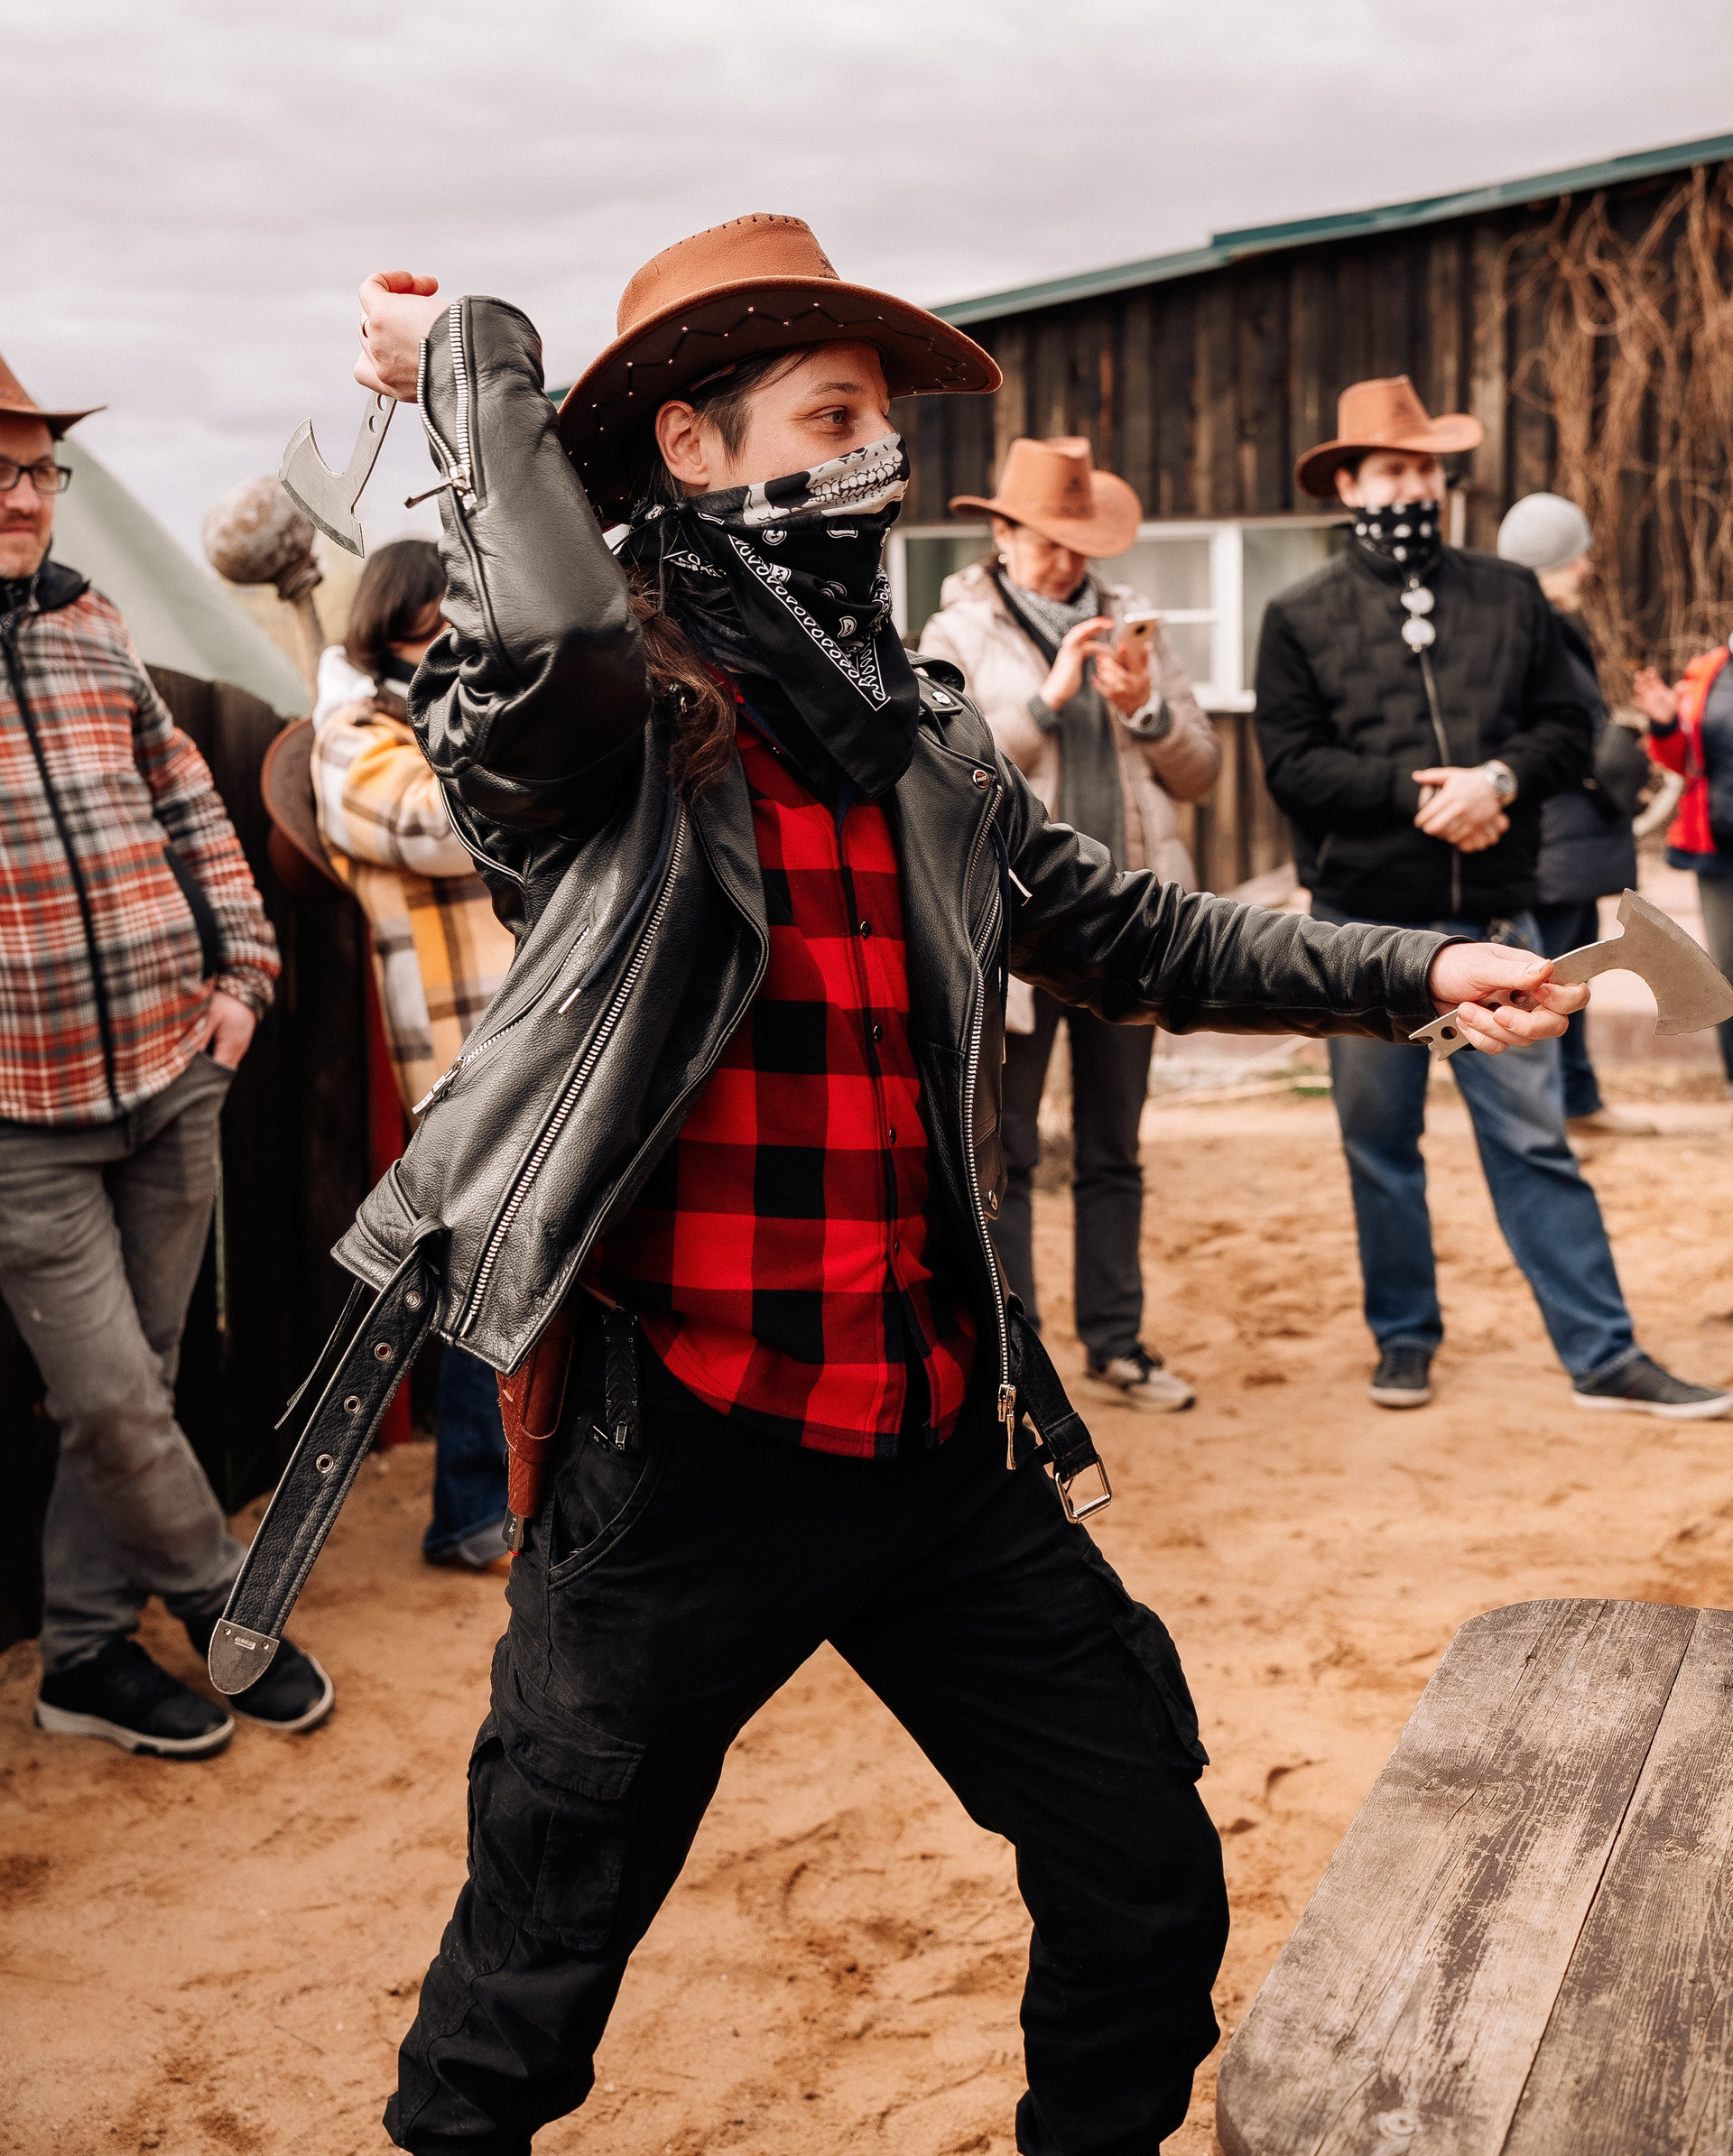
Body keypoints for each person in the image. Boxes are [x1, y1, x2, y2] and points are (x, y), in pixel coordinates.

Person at [344, 233, 1586, 2156]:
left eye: (882, 422)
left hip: (940, 1425)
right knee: (524, 2002)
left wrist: (1416, 967)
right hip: (685, 1452)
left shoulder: (914, 729)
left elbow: (1133, 929)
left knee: (1142, 1880)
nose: (878, 459)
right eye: (829, 417)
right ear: (690, 445)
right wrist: (472, 361)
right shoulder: (604, 728)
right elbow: (564, 642)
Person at [1255, 374, 1727, 1421]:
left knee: (1534, 1140)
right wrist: (1426, 797)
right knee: (1381, 1145)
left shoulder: (1509, 595)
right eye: (1392, 469)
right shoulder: (1298, 614)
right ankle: (1404, 1339)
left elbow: (1569, 730)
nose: (1413, 486)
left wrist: (1499, 782)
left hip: (1498, 923)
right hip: (1361, 929)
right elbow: (1291, 765)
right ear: (1349, 485)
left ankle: (1604, 1355)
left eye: (1426, 468)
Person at [0, 351, 330, 1760]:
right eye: (1, 473)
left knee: (139, 1377)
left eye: (40, 471)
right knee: (114, 1396)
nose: (28, 497)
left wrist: (244, 978)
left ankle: (81, 1656)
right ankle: (226, 1605)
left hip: (172, 1068)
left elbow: (193, 805)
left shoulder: (94, 622)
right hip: (21, 1117)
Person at [920, 435, 1217, 1410]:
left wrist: (1145, 712)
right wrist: (1043, 708)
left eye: (1078, 543)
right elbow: (936, 777)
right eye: (1046, 540)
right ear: (1002, 536)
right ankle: (1023, 1360)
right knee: (1004, 1152)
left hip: (1124, 924)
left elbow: (1202, 771)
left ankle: (1117, 1344)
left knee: (1113, 1147)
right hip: (1010, 932)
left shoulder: (1135, 626)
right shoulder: (954, 632)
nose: (1064, 561)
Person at [313, 539, 516, 1568]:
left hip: (535, 1026)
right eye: (443, 627)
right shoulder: (355, 737)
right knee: (487, 1272)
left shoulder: (465, 719)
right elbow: (435, 824)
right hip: (461, 1046)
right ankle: (473, 1512)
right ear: (399, 627)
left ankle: (520, 1497)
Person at [1497, 492, 1656, 1138]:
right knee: (1554, 980)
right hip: (1557, 837)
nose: (1586, 567)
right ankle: (1561, 1111)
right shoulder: (1533, 634)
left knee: (1570, 978)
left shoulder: (1547, 627)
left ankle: (1577, 1102)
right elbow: (1558, 734)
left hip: (1572, 838)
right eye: (1575, 556)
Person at [1635, 631, 1733, 1093]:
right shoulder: (1709, 671)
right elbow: (1684, 761)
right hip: (1719, 851)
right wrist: (1665, 724)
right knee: (1726, 970)